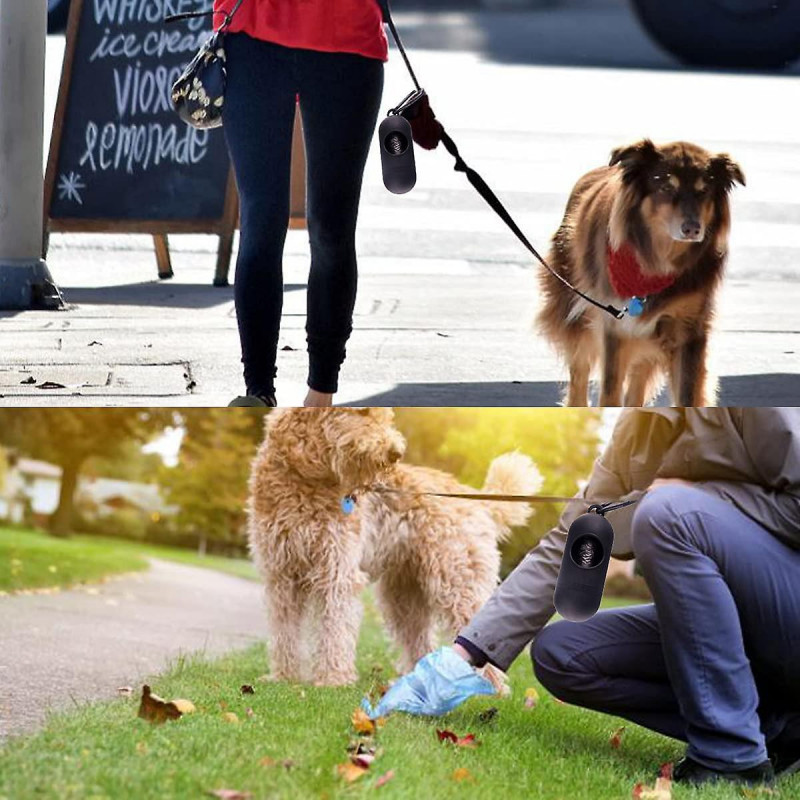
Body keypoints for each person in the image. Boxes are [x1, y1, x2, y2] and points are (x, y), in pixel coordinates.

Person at [370, 409, 800, 788]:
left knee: (668, 512)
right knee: (562, 653)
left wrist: (695, 498)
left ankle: (731, 757)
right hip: (738, 625)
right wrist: (463, 654)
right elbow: (572, 540)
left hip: (787, 611)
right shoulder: (638, 425)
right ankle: (777, 728)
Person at [215, 0, 388, 407]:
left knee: (331, 227)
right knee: (260, 221)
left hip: (347, 38)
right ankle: (258, 392)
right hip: (253, 34)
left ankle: (321, 392)